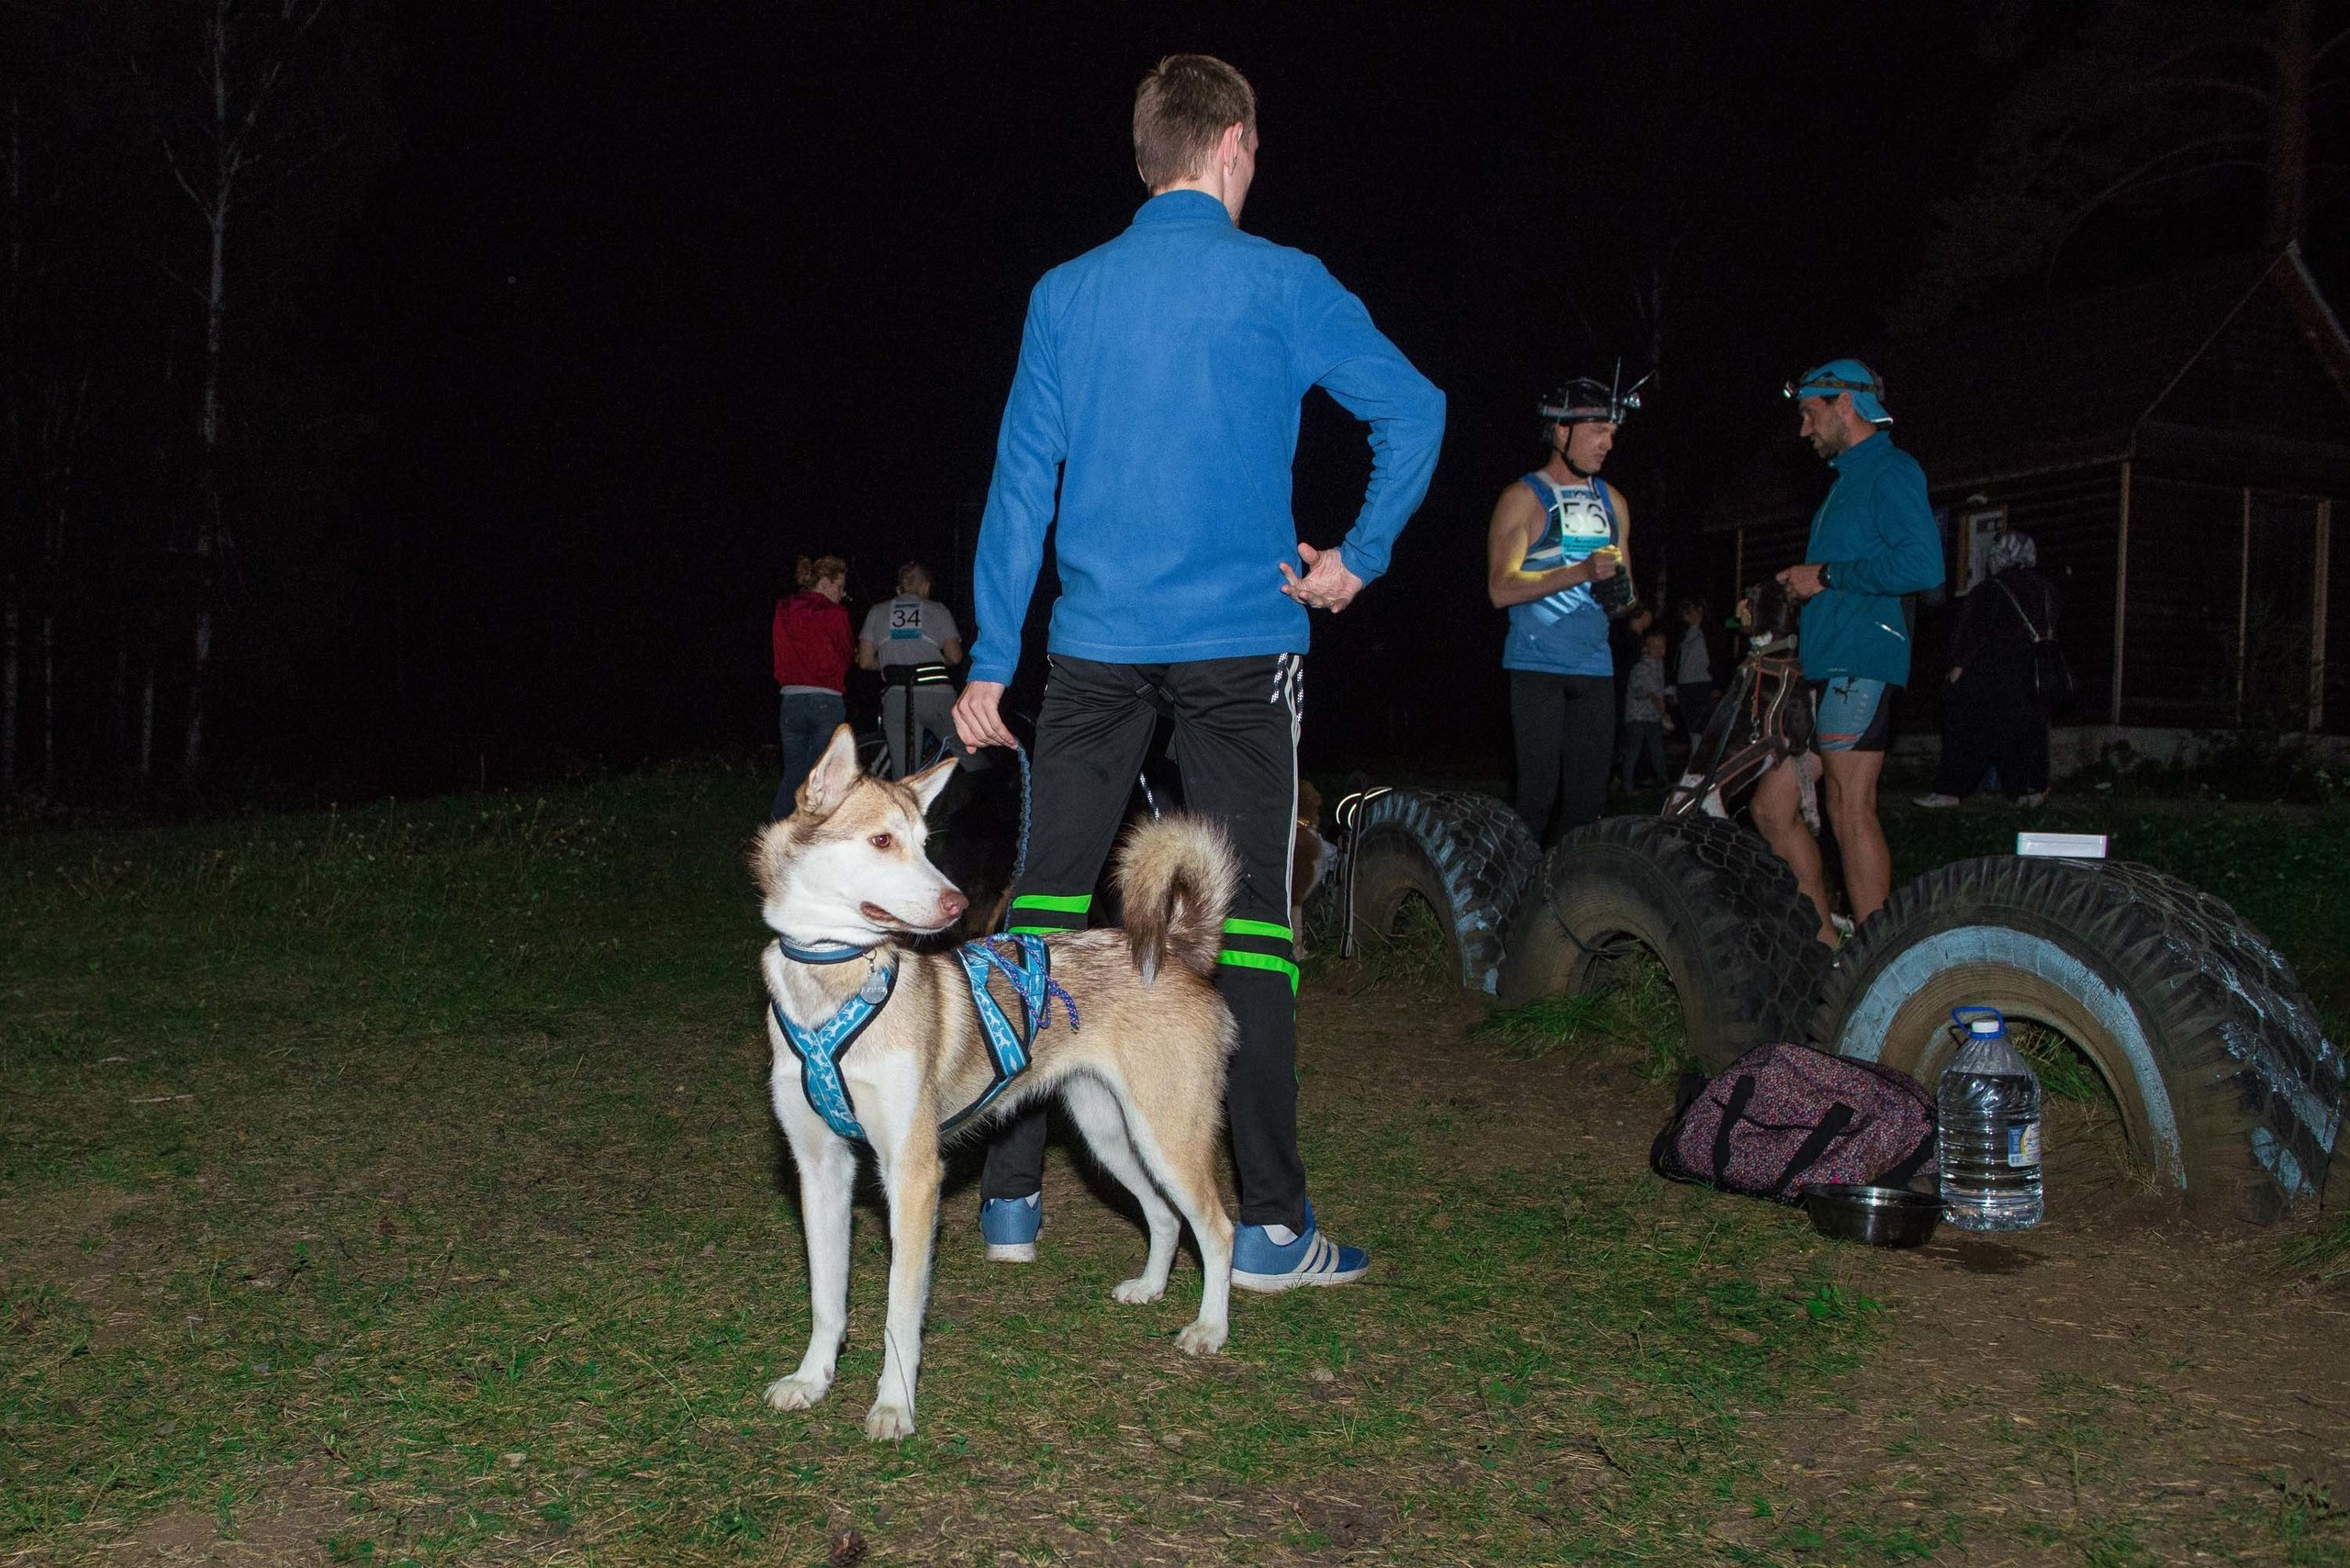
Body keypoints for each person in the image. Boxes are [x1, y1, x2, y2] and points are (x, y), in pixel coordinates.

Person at [952, 53, 1444, 1289]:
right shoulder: (1282, 281)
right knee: (1251, 930)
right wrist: (1357, 558)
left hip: (1095, 647)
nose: (1257, 160)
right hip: (1242, 641)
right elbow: (1417, 409)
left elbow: (1022, 487)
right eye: (1257, 143)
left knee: (1048, 908)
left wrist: (992, 660)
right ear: (1229, 144)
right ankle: (1272, 1227)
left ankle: (1010, 1204)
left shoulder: (1067, 293)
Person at [1754, 360, 1944, 944]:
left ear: (1845, 404)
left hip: (1862, 663)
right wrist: (1793, 587)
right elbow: (1835, 574)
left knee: (1848, 805)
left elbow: (1925, 565)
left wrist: (1828, 576)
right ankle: (1829, 949)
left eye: (1810, 414)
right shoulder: (1846, 484)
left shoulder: (1891, 470)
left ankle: (1877, 959)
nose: (1804, 430)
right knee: (1769, 809)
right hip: (1824, 668)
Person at [1487, 375, 1639, 844]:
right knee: (1536, 801)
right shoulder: (1522, 497)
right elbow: (1500, 589)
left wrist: (1622, 597)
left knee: (1589, 809)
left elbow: (1626, 593)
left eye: (1613, 432)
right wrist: (1579, 572)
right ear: (1560, 431)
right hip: (1537, 667)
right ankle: (1506, 905)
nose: (1608, 443)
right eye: (1598, 431)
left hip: (1595, 667)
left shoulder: (1613, 501)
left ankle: (1573, 908)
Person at [1918, 531, 2056, 808]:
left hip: (1989, 672)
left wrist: (1957, 667)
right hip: (2032, 670)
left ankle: (1949, 791)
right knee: (2027, 731)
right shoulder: (2046, 589)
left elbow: (1971, 630)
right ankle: (2030, 790)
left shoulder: (1991, 589)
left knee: (1968, 731)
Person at [858, 560, 969, 779]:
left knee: (905, 777)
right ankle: (986, 799)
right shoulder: (937, 610)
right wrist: (932, 658)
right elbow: (955, 656)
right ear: (926, 586)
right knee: (969, 754)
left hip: (897, 698)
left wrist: (893, 661)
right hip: (937, 697)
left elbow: (864, 662)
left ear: (899, 587)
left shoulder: (877, 612)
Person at [771, 554, 853, 819]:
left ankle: (776, 831)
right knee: (823, 779)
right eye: (839, 587)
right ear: (826, 583)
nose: (841, 594)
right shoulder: (835, 613)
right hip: (825, 702)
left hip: (791, 702)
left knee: (794, 774)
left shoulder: (783, 609)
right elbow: (845, 654)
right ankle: (814, 838)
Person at [1616, 628, 1673, 792]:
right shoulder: (1642, 667)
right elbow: (1649, 693)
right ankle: (1627, 785)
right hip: (1638, 716)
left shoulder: (1659, 665)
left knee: (1657, 749)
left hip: (1652, 716)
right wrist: (1663, 713)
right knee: (1634, 750)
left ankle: (1663, 780)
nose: (1661, 650)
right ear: (1646, 648)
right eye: (1656, 647)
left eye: (1663, 646)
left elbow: (1659, 691)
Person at [1673, 597, 1718, 740]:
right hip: (1685, 684)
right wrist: (1672, 686)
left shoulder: (1710, 631)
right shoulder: (1682, 634)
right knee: (1691, 726)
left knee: (1704, 725)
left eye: (1692, 611)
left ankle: (1702, 757)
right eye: (1686, 613)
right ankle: (1695, 755)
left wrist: (1717, 685)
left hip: (1703, 683)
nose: (1689, 616)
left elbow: (1719, 658)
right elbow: (1676, 661)